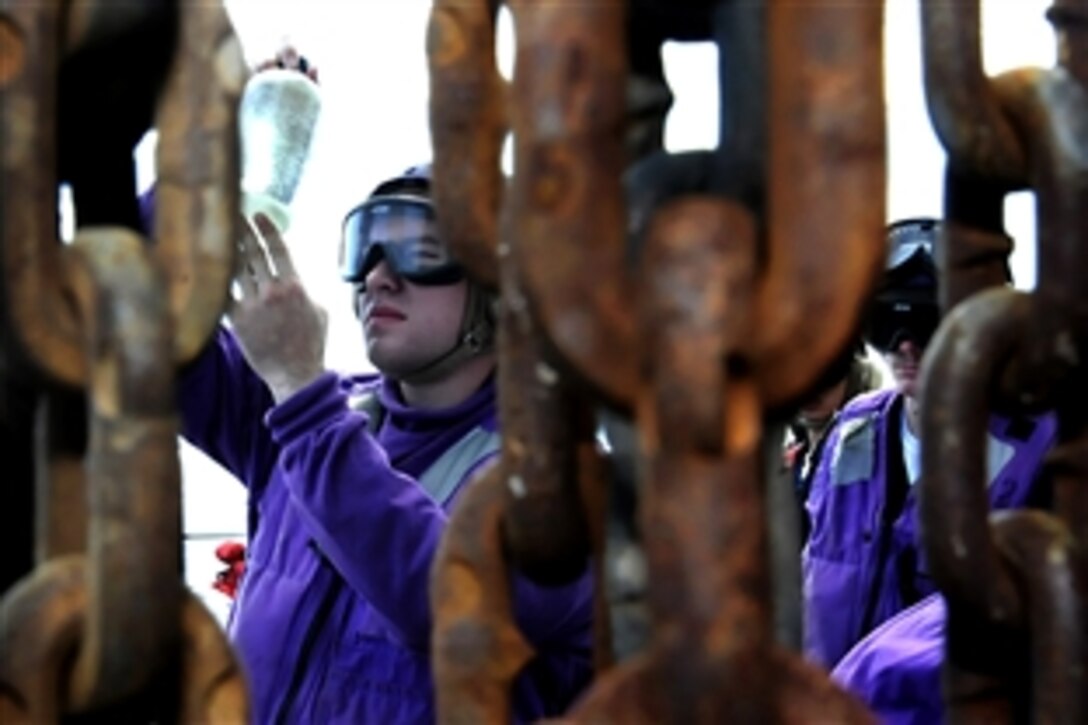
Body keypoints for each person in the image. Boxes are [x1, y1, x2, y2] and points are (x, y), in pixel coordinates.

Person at [801, 218, 1055, 673]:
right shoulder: (851, 432)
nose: (906, 349)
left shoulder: (1040, 447)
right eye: (886, 327)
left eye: (925, 323)